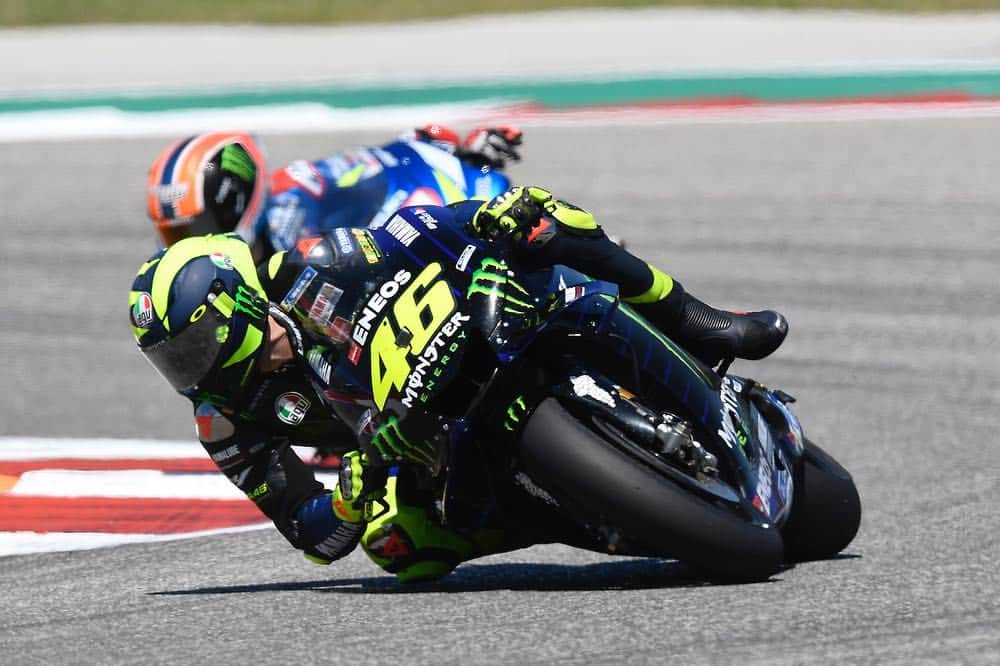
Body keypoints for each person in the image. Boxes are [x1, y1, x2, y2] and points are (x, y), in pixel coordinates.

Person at [129, 185, 787, 580]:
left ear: (235, 304)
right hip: (413, 448)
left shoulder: (317, 263)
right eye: (172, 360)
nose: (189, 371)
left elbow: (424, 232)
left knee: (540, 217)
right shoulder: (222, 419)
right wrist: (348, 498)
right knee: (396, 545)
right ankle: (599, 518)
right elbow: (313, 534)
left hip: (473, 329)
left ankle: (697, 321)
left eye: (190, 348)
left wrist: (487, 220)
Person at [145, 125, 523, 259]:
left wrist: (446, 153)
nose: (182, 247)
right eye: (172, 235)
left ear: (236, 203)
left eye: (191, 230)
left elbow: (371, 164)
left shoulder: (290, 218)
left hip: (428, 209)